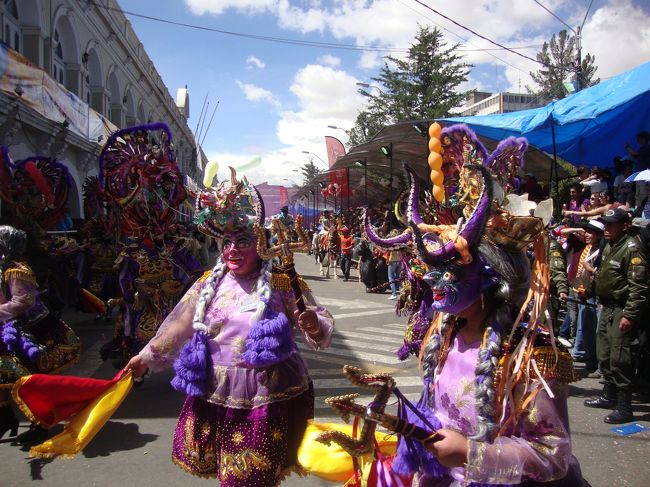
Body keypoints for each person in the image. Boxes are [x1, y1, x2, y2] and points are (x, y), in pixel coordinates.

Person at [125, 170, 334, 486]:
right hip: (217, 391)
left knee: (249, 475)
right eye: (227, 243)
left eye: (243, 241)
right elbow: (176, 327)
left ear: (260, 244)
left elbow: (317, 323)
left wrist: (313, 324)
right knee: (231, 472)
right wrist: (145, 358)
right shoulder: (207, 285)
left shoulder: (282, 283)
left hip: (268, 394)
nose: (233, 249)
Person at [0, 225, 81, 443]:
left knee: (30, 379)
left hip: (30, 331)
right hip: (8, 328)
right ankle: (6, 418)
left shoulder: (16, 270)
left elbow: (23, 302)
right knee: (5, 376)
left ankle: (41, 424)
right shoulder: (5, 267)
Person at [584, 207, 648, 423]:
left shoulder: (632, 248)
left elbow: (639, 287)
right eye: (606, 224)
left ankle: (625, 407)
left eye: (611, 225)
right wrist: (590, 291)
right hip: (608, 307)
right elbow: (604, 275)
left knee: (621, 357)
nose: (606, 228)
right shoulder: (610, 245)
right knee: (605, 353)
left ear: (624, 226)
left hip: (622, 308)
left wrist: (629, 315)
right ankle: (608, 396)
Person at [570, 220, 605, 378]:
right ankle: (591, 362)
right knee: (586, 329)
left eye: (591, 233)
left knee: (598, 331)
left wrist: (590, 270)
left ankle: (601, 366)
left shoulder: (603, 250)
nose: (587, 235)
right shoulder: (588, 248)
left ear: (598, 235)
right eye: (586, 232)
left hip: (596, 294)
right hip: (583, 291)